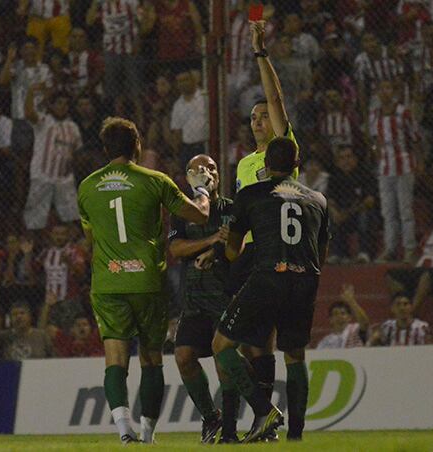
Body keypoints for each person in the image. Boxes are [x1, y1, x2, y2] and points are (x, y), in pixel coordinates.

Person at [77, 117, 210, 444]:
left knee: (115, 359)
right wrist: (203, 190)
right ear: (137, 145)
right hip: (148, 281)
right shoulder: (155, 181)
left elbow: (89, 237)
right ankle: (148, 435)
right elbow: (199, 214)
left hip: (108, 284)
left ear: (106, 149)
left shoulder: (87, 187)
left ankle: (125, 432)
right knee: (151, 358)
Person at [213, 138, 329, 442]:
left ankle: (264, 410)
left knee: (221, 346)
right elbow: (321, 252)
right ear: (296, 164)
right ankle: (296, 437)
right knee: (294, 354)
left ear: (265, 165)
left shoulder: (250, 194)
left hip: (268, 277)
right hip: (305, 278)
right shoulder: (318, 199)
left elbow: (232, 253)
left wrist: (228, 238)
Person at [231, 20, 301, 423]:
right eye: (253, 118)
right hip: (249, 253)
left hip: (274, 251)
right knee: (251, 343)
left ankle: (263, 414)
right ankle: (262, 416)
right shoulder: (243, 164)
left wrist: (261, 53)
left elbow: (275, 98)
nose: (259, 121)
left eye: (263, 116)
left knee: (256, 340)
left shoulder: (282, 152)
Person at [168, 154, 239, 444]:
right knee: (184, 357)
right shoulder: (182, 211)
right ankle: (212, 419)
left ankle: (231, 429)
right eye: (198, 168)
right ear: (187, 176)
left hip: (223, 297)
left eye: (211, 167)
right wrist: (211, 241)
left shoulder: (231, 209)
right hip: (194, 300)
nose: (206, 171)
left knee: (224, 361)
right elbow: (176, 249)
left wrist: (219, 251)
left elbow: (237, 247)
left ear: (219, 176)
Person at [370, 79, 419, 263]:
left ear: (394, 91)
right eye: (381, 89)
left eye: (388, 88)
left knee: (405, 209)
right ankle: (390, 248)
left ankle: (409, 248)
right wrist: (378, 159)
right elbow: (376, 141)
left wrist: (417, 162)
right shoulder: (375, 114)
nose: (385, 92)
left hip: (404, 165)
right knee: (388, 211)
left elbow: (414, 137)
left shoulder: (403, 112)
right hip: (385, 167)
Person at [23, 87, 83, 234]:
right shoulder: (44, 121)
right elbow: (29, 114)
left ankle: (72, 250)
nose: (63, 106)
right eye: (59, 103)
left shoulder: (73, 127)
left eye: (66, 104)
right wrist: (31, 91)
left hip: (64, 179)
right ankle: (34, 250)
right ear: (52, 105)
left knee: (72, 219)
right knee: (35, 222)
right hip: (41, 177)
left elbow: (77, 151)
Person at [326, 145, 378, 263]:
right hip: (342, 214)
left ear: (355, 159)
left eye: (349, 157)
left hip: (361, 213)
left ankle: (364, 253)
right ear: (337, 162)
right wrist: (335, 213)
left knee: (364, 215)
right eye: (342, 158)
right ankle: (338, 254)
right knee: (329, 216)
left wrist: (347, 214)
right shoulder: (334, 177)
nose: (346, 161)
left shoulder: (365, 174)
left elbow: (369, 201)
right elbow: (330, 200)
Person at [169, 71, 208, 169]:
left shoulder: (204, 98)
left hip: (206, 144)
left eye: (186, 80)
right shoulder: (178, 105)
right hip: (188, 148)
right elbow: (177, 131)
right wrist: (176, 154)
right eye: (180, 81)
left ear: (193, 81)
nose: (183, 83)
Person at [317, 285, 369, 349]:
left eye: (343, 313)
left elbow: (365, 323)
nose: (339, 316)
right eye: (336, 314)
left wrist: (351, 301)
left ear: (349, 317)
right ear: (330, 319)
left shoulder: (355, 329)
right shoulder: (325, 342)